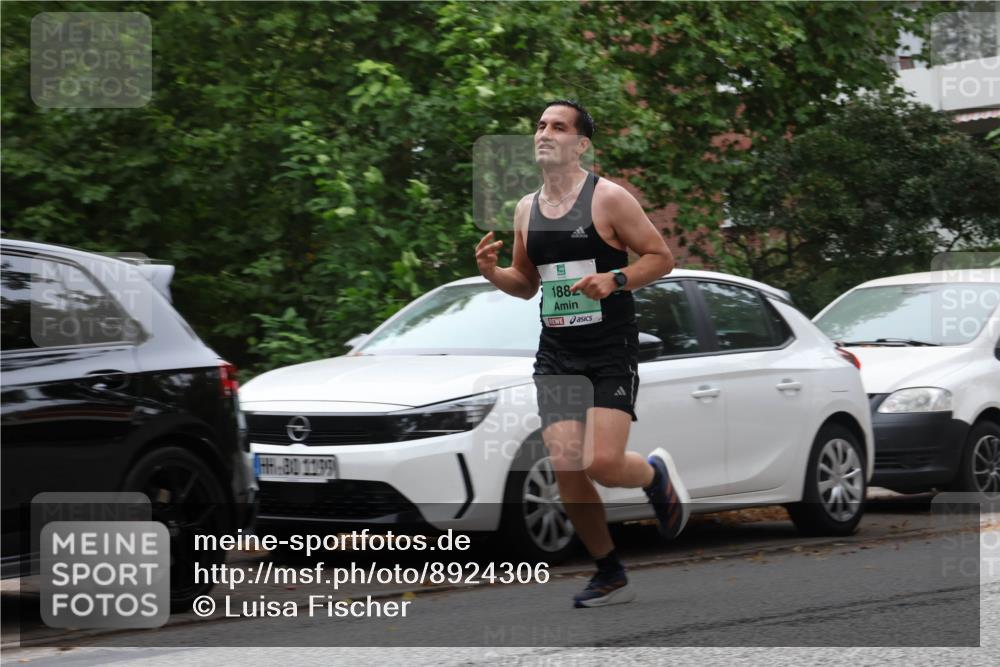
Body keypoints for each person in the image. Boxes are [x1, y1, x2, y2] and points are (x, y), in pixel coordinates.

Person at [475, 99, 691, 608]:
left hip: (610, 348)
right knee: (567, 467)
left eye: (558, 127)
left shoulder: (608, 198)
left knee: (603, 464)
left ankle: (654, 475)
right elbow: (526, 283)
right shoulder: (526, 209)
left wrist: (616, 279)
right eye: (540, 126)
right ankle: (609, 572)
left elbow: (661, 258)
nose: (544, 133)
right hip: (557, 353)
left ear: (581, 144)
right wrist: (492, 273)